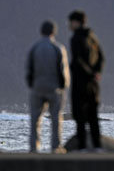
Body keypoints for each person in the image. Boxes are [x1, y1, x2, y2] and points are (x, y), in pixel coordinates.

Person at [25, 20, 70, 153]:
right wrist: (63, 86)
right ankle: (55, 146)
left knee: (35, 119)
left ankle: (34, 147)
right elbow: (62, 70)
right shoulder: (58, 48)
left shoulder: (34, 48)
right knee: (56, 119)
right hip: (54, 87)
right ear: (53, 32)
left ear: (41, 32)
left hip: (37, 87)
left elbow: (29, 69)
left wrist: (32, 85)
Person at [68, 10, 105, 151]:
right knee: (93, 115)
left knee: (79, 115)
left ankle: (82, 146)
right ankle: (97, 145)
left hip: (80, 82)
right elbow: (101, 58)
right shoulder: (93, 38)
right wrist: (96, 73)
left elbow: (78, 60)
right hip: (94, 84)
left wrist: (88, 74)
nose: (69, 25)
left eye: (70, 22)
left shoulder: (76, 38)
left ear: (76, 22)